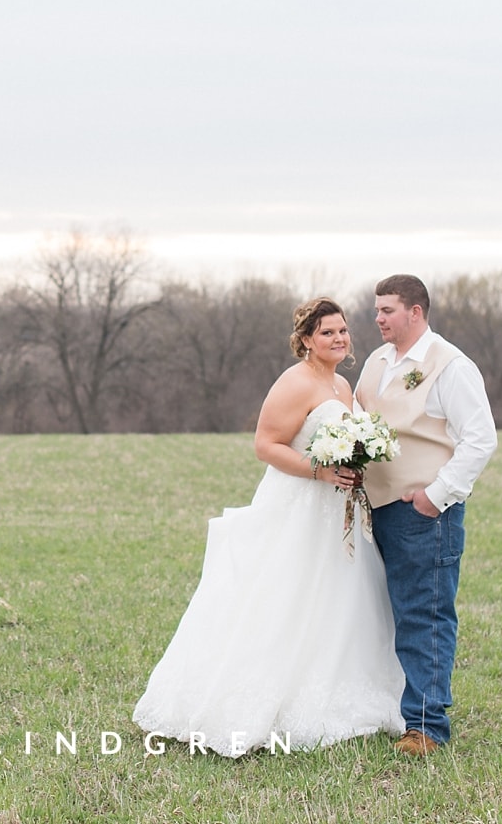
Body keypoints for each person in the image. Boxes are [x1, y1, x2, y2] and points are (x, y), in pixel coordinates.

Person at [132, 297, 405, 756]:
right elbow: (265, 444)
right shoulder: (295, 383)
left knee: (343, 598)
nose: (339, 339)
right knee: (287, 597)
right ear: (305, 341)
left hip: (340, 512)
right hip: (299, 507)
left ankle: (340, 687)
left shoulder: (342, 384)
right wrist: (319, 471)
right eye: (327, 333)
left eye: (343, 331)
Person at [355, 274, 497, 756]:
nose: (378, 318)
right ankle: (385, 706)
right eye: (376, 309)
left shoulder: (451, 365)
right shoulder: (376, 362)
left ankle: (425, 727)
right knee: (378, 613)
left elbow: (480, 439)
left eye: (387, 310)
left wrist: (437, 495)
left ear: (416, 312)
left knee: (425, 615)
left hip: (423, 515)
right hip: (373, 511)